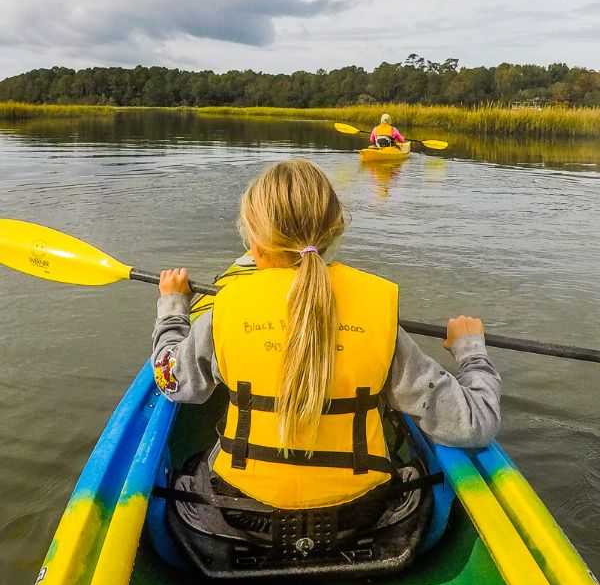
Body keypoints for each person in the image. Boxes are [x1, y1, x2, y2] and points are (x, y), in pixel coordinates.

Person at [152, 159, 500, 523]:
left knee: (190, 467)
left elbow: (173, 382)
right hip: (360, 515)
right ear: (335, 234)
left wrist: (173, 312)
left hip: (243, 513)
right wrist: (471, 350)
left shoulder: (223, 311)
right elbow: (475, 424)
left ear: (254, 245)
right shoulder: (378, 316)